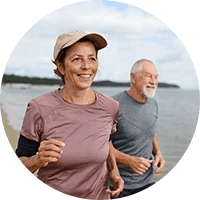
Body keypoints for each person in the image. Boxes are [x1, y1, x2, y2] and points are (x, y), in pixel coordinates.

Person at [15, 30, 123, 200]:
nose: (86, 66)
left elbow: (106, 141)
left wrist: (115, 172)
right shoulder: (39, 108)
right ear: (60, 66)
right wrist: (37, 160)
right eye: (77, 59)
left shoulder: (111, 106)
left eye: (92, 58)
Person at [110, 59, 165, 198]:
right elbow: (101, 144)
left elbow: (150, 131)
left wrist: (158, 152)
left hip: (148, 182)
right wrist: (128, 160)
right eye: (148, 76)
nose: (153, 81)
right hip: (119, 185)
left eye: (156, 77)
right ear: (133, 78)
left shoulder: (154, 104)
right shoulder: (113, 105)